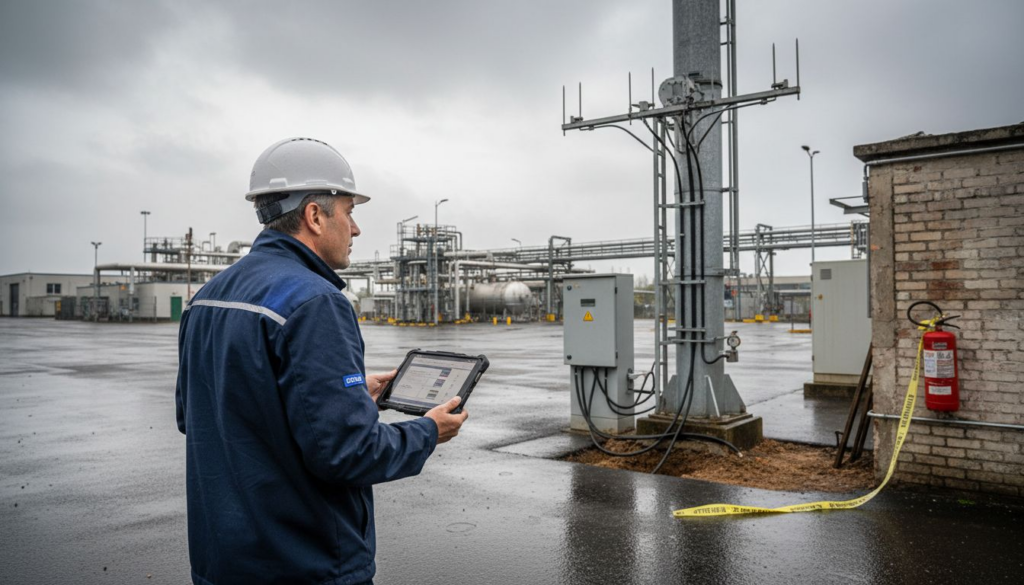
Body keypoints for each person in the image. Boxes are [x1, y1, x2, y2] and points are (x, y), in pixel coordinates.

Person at [175, 137, 468, 585]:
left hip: (221, 562)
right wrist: (428, 431)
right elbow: (349, 454)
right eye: (349, 212)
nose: (355, 229)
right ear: (315, 215)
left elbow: (196, 416)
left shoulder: (206, 298)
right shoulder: (316, 302)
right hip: (303, 564)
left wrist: (349, 398)